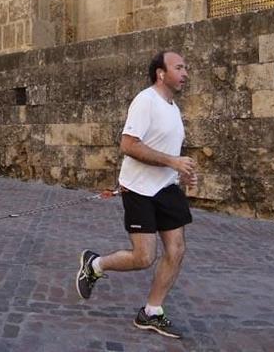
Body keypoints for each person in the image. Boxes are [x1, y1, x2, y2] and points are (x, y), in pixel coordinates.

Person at [76, 50, 197, 339]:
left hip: (167, 188)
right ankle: (94, 265)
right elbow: (128, 145)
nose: (185, 73)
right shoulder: (146, 101)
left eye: (185, 68)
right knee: (144, 257)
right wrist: (172, 161)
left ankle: (151, 311)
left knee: (176, 250)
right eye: (179, 67)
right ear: (161, 73)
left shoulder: (172, 107)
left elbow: (167, 149)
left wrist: (184, 169)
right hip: (139, 190)